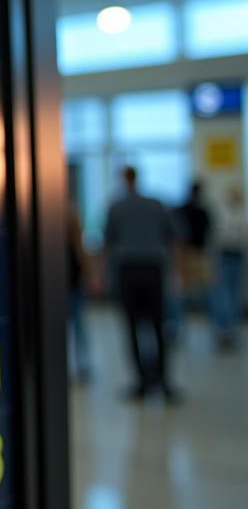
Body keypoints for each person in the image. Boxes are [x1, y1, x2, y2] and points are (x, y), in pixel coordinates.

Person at [104, 166, 179, 401]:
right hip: (153, 269)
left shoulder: (116, 207)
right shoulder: (155, 204)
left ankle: (141, 382)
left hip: (129, 271)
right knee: (158, 327)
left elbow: (108, 243)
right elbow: (173, 237)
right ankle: (163, 382)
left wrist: (103, 275)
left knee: (132, 328)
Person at [213, 185, 246, 350]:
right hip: (225, 255)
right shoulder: (224, 214)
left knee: (232, 293)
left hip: (236, 255)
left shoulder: (241, 215)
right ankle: (225, 328)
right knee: (224, 293)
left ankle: (230, 328)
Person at [174, 181, 213, 320]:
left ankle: (174, 325)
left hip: (187, 253)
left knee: (183, 291)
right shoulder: (200, 211)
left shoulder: (182, 210)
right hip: (192, 253)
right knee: (201, 290)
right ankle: (219, 326)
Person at [66, 202, 92, 381]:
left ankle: (80, 363)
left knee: (74, 323)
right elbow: (79, 247)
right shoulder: (70, 214)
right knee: (77, 323)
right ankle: (81, 364)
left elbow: (79, 246)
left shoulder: (69, 215)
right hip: (71, 276)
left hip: (67, 277)